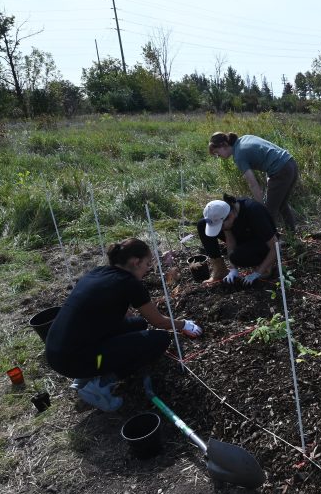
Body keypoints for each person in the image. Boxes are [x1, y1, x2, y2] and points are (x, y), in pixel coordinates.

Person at [45, 238, 202, 412]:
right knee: (159, 340)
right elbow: (158, 322)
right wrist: (184, 324)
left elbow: (122, 313)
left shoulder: (98, 272)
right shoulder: (130, 283)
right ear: (136, 262)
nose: (148, 269)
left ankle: (86, 374)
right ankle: (99, 384)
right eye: (147, 264)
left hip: (57, 350)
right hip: (75, 359)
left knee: (138, 323)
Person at [208, 131, 299, 232]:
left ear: (223, 145)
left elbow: (253, 184)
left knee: (268, 212)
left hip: (280, 170)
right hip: (290, 163)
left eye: (217, 153)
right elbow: (266, 153)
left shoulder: (239, 156)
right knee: (281, 203)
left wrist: (260, 207)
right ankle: (292, 233)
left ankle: (272, 241)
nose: (218, 156)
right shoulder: (244, 138)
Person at [197, 195, 279, 286]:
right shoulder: (226, 211)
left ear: (231, 215)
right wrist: (233, 269)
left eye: (221, 226)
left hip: (263, 243)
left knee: (238, 256)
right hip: (244, 237)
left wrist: (258, 273)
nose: (221, 229)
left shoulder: (254, 211)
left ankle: (266, 266)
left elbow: (275, 246)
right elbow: (230, 240)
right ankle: (220, 270)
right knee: (202, 225)